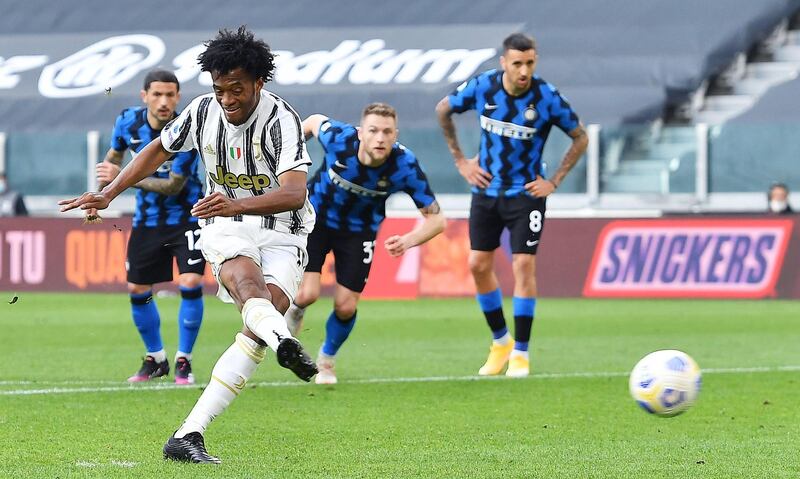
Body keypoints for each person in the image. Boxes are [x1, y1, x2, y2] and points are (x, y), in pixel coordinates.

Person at [60, 26, 318, 464]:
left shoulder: (282, 120)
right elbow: (156, 150)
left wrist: (236, 199)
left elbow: (295, 192)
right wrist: (109, 193)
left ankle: (188, 434)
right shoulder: (202, 112)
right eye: (219, 90)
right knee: (248, 289)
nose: (227, 99)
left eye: (237, 89)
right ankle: (284, 341)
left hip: (284, 229)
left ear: (259, 82)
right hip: (227, 222)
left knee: (258, 327)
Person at [435, 33, 588, 378]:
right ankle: (500, 341)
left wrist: (555, 181)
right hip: (487, 190)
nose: (524, 70)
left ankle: (521, 352)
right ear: (504, 62)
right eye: (517, 63)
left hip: (526, 194)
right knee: (477, 265)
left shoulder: (546, 97)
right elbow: (443, 110)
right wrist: (461, 161)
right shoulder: (483, 87)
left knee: (522, 265)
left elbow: (581, 136)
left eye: (530, 63)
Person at [284, 103, 446, 385]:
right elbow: (312, 121)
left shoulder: (405, 166)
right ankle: (296, 311)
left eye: (386, 132)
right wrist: (289, 155)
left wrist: (408, 240)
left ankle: (326, 360)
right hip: (316, 221)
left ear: (396, 135)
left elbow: (437, 220)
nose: (380, 138)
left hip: (359, 233)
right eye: (373, 131)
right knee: (308, 293)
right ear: (361, 133)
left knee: (346, 306)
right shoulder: (339, 138)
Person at [94, 69, 206, 385]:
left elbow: (173, 185)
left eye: (170, 95)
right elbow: (113, 157)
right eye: (157, 94)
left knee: (189, 282)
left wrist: (122, 179)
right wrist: (101, 190)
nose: (164, 101)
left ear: (178, 97)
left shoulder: (186, 130)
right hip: (147, 221)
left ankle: (185, 360)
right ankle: (156, 358)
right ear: (145, 96)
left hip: (188, 216)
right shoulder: (127, 121)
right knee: (138, 289)